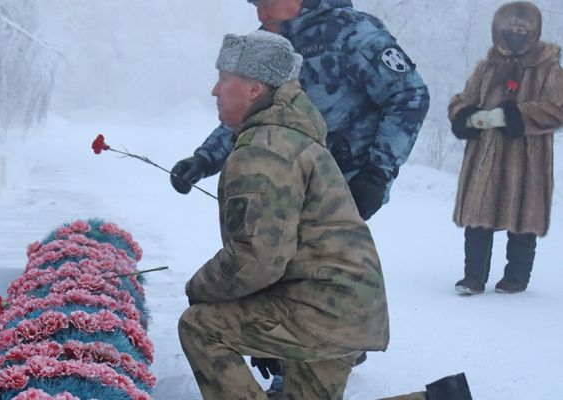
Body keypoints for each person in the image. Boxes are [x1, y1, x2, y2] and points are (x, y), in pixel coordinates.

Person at [178, 29, 471, 400]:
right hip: (345, 306)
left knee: (201, 326)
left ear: (254, 88)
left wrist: (199, 289)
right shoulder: (290, 135)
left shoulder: (265, 149)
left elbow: (257, 259)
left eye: (224, 78)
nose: (215, 90)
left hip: (319, 309)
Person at [170, 0, 429, 222]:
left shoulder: (352, 32)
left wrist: (377, 174)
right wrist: (204, 160)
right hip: (277, 189)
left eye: (267, 4)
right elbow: (248, 109)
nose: (261, 15)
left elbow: (410, 96)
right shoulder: (267, 44)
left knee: (327, 263)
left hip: (339, 193)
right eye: (256, 6)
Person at [449, 1, 563, 295]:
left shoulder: (548, 67)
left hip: (527, 157)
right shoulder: (486, 66)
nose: (515, 32)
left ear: (533, 31)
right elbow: (462, 99)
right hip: (484, 155)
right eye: (510, 27)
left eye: (522, 29)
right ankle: (473, 277)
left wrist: (516, 116)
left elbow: (558, 109)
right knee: (477, 217)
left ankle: (516, 278)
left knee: (523, 219)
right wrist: (467, 115)